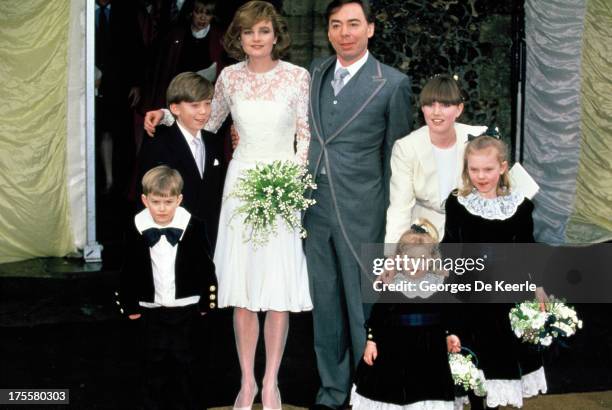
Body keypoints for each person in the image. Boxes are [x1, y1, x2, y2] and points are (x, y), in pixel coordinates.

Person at [144, 2, 313, 409]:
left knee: (275, 291)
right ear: (238, 37)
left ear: (276, 35)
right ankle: (246, 383)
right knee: (241, 291)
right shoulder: (229, 78)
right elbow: (211, 119)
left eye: (264, 31)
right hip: (240, 185)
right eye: (248, 32)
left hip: (281, 186)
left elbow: (304, 134)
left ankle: (271, 382)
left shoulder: (297, 77)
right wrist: (168, 115)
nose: (256, 39)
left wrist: (293, 184)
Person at [303, 1, 413, 408]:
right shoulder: (315, 71)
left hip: (364, 212)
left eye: (353, 24)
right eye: (336, 25)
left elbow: (395, 160)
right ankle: (331, 391)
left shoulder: (393, 83)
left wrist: (394, 224)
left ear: (370, 29)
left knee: (362, 307)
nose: (344, 32)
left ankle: (369, 392)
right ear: (328, 31)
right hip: (314, 209)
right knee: (326, 308)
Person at [442, 132, 548, 409]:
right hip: (469, 296)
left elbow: (527, 248)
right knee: (473, 362)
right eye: (474, 169)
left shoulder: (520, 207)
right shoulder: (458, 203)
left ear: (502, 167)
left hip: (505, 297)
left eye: (488, 169)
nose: (480, 175)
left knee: (499, 363)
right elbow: (451, 245)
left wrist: (537, 286)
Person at [118, 165, 218, 410]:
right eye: (156, 202)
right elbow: (127, 270)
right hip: (150, 311)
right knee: (151, 367)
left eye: (168, 202)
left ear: (179, 200)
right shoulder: (135, 229)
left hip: (186, 310)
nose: (162, 209)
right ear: (145, 200)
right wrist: (129, 304)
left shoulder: (193, 227)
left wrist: (207, 302)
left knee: (188, 366)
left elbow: (206, 267)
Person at [352, 219, 462, 410]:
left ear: (432, 258)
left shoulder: (439, 285)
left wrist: (449, 334)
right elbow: (377, 316)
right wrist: (371, 341)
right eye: (410, 259)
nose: (416, 265)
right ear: (400, 258)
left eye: (422, 259)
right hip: (394, 348)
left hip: (430, 351)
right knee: (394, 391)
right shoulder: (393, 285)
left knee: (427, 390)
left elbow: (448, 315)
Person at [385, 74, 487, 244]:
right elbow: (399, 208)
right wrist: (392, 256)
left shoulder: (478, 138)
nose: (436, 112)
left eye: (446, 105)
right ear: (422, 108)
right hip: (424, 234)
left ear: (459, 109)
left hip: (471, 231)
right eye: (430, 104)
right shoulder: (406, 147)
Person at [138, 72, 225, 248]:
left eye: (207, 104)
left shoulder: (213, 141)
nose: (203, 111)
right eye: (195, 105)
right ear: (175, 108)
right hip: (172, 239)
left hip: (210, 238)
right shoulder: (158, 143)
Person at [143, 0, 226, 113]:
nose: (203, 18)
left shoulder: (220, 39)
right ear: (191, 13)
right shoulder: (177, 34)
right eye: (198, 12)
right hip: (178, 93)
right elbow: (164, 69)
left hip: (203, 96)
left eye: (208, 14)